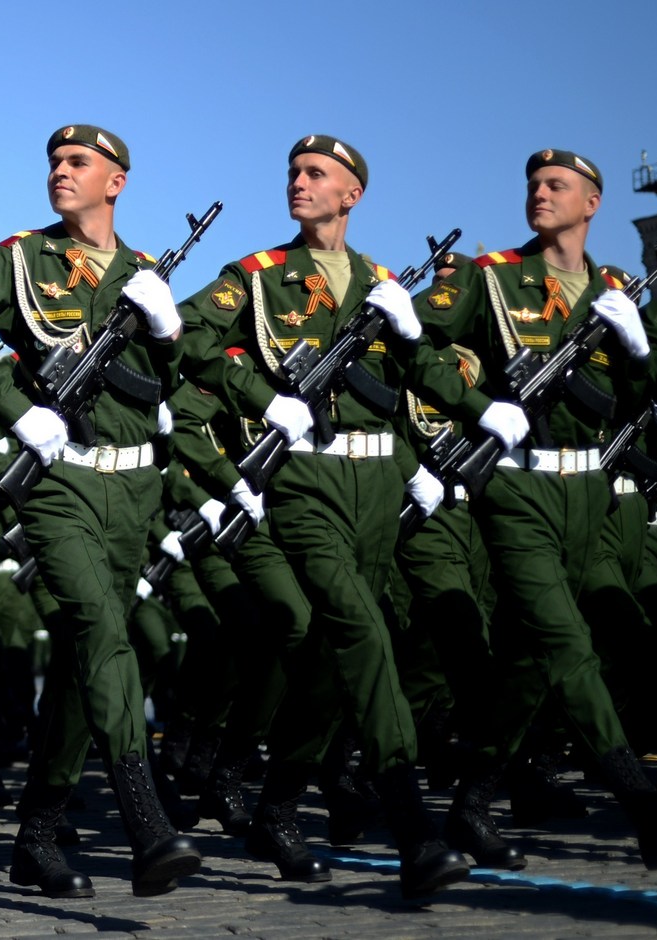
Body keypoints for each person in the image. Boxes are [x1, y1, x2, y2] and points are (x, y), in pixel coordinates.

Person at [177, 135, 469, 898]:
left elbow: (420, 377)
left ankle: (277, 808)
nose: (299, 184)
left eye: (316, 175)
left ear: (352, 194)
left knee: (330, 661)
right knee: (362, 632)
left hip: (379, 481)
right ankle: (413, 827)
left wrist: (419, 348)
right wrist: (256, 394)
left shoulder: (382, 283)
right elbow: (186, 335)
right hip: (305, 480)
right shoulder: (257, 276)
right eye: (294, 173)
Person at [0, 124, 199, 899]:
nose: (60, 171)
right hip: (58, 480)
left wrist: (170, 331)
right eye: (54, 161)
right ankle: (146, 822)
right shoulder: (23, 257)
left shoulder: (144, 274)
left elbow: (173, 383)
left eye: (78, 162)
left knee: (88, 660)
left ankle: (38, 833)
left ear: (116, 182)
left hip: (133, 490)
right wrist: (15, 409)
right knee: (104, 635)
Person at [410, 148, 657, 871]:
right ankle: (642, 801)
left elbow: (637, 399)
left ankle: (472, 804)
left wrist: (639, 349)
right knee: (566, 642)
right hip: (518, 489)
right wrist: (476, 405)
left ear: (592, 204)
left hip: (591, 493)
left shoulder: (614, 288)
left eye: (556, 185)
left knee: (530, 663)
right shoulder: (491, 277)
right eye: (533, 185)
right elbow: (413, 346)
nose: (540, 194)